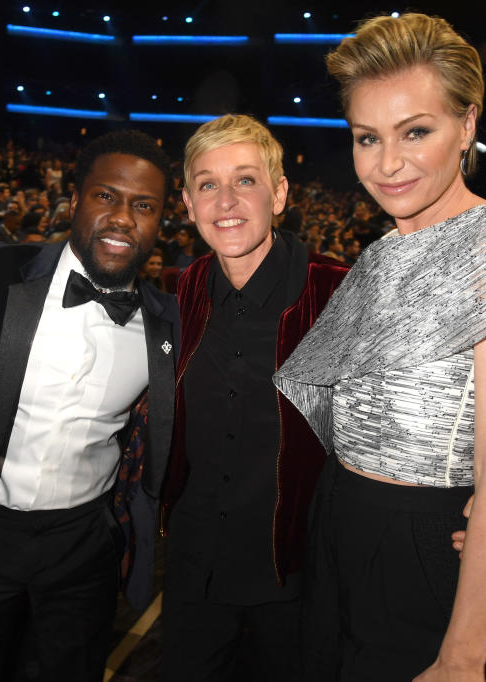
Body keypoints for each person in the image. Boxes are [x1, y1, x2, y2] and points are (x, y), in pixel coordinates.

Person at [272, 14, 486, 681]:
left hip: (419, 543)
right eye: (368, 138)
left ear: (467, 125)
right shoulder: (380, 253)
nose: (387, 163)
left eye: (415, 131)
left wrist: (462, 660)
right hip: (339, 519)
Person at [0, 130, 179, 682]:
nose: (123, 218)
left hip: (83, 547)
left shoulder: (168, 325)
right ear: (76, 196)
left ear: (162, 221)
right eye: (107, 196)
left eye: (144, 206)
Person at [159, 114, 348, 682]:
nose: (226, 200)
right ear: (188, 204)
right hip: (196, 570)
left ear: (279, 193)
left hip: (294, 575)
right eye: (207, 184)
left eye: (245, 180)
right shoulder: (183, 290)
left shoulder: (336, 291)